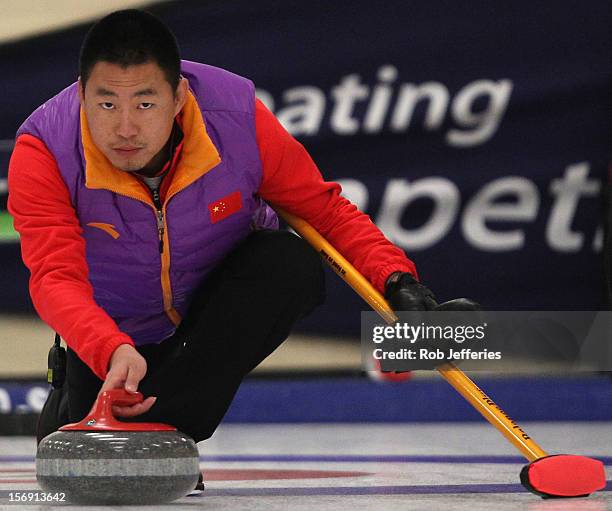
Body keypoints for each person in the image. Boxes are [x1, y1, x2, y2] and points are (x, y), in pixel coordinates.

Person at [8, 9, 437, 465]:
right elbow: (55, 276)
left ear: (178, 98)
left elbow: (324, 212)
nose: (126, 128)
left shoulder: (236, 119)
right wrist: (107, 346)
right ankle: (105, 417)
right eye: (107, 104)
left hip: (209, 319)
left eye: (145, 104)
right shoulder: (45, 149)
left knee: (290, 263)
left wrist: (396, 281)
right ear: (82, 95)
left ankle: (161, 427)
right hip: (111, 339)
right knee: (76, 468)